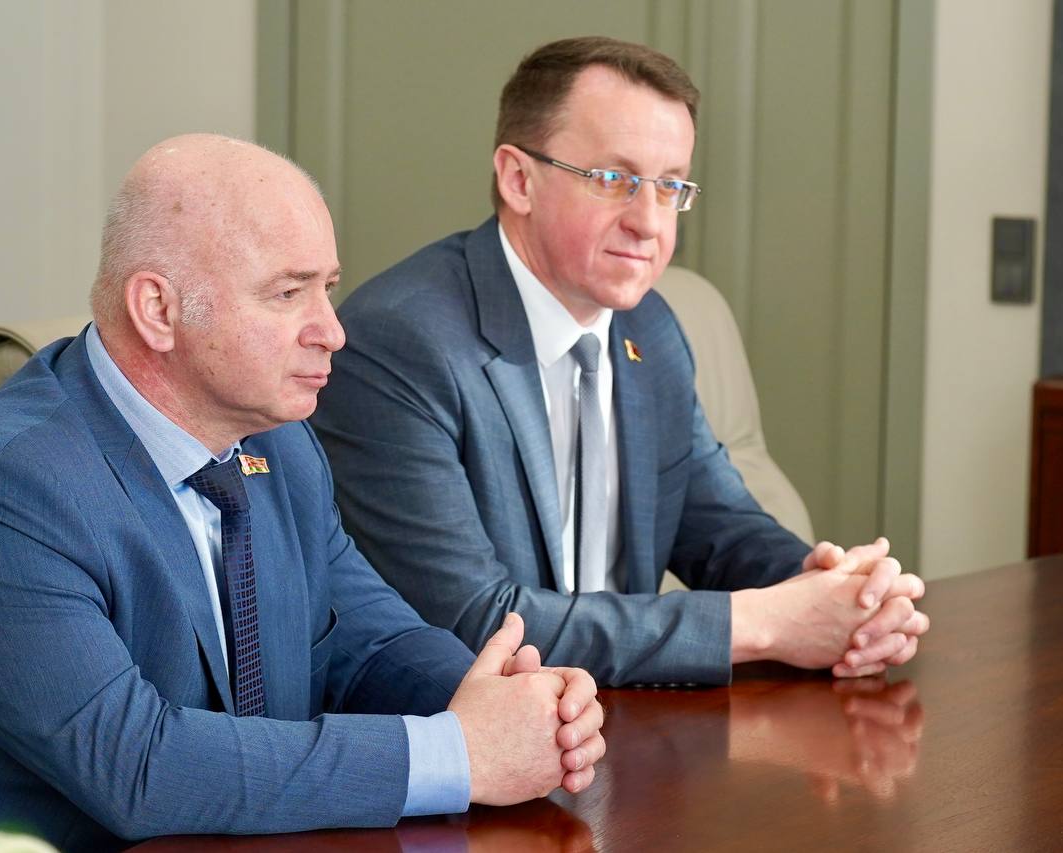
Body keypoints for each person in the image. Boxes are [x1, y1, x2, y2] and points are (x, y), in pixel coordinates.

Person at [0, 135, 604, 852]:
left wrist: (512, 701)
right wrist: (457, 753)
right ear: (158, 310)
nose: (332, 330)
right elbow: (141, 768)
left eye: (328, 288)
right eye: (288, 293)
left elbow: (368, 640)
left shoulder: (278, 443)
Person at [311, 36, 929, 687]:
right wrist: (762, 623)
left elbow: (717, 527)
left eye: (670, 186)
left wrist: (839, 593)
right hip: (472, 732)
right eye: (614, 180)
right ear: (518, 180)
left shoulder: (650, 327)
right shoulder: (402, 342)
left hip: (630, 715)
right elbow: (472, 623)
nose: (650, 223)